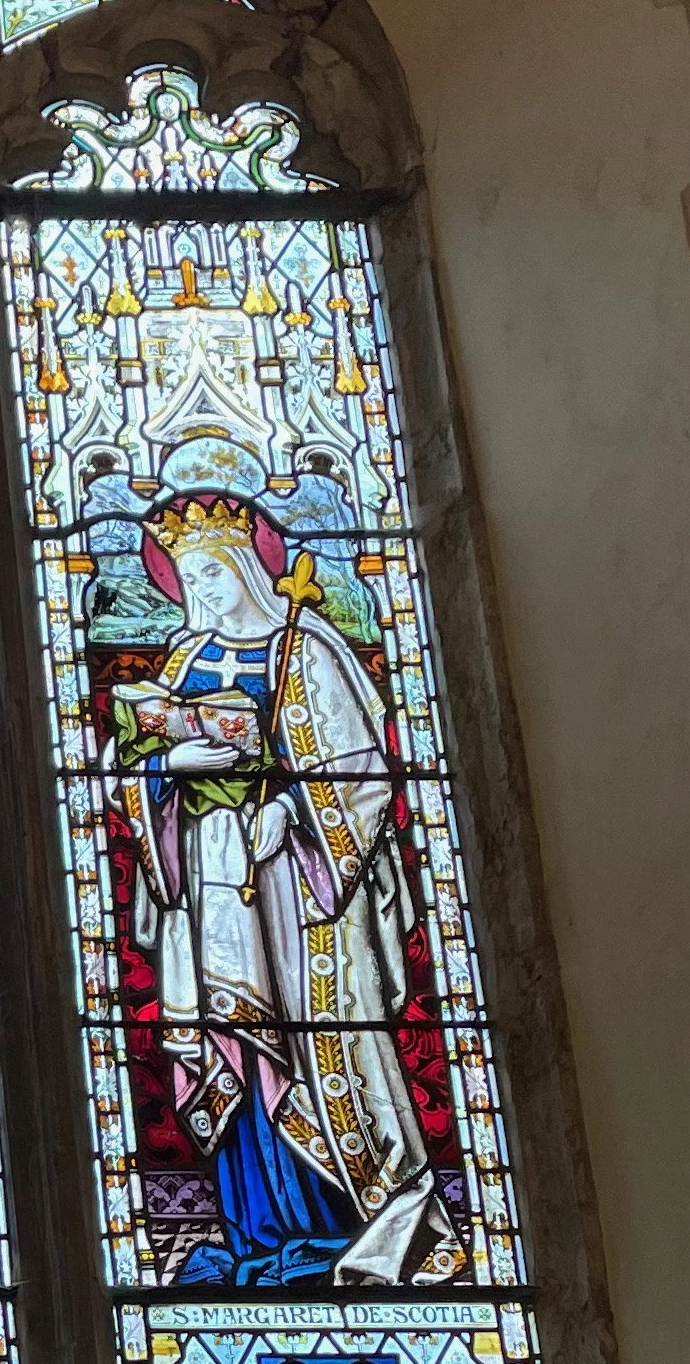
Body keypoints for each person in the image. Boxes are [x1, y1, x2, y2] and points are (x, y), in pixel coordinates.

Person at [109, 491, 464, 1286]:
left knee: (312, 1039)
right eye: (186, 578)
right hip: (210, 876)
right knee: (235, 1041)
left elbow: (360, 772)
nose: (199, 589)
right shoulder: (182, 660)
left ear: (243, 566)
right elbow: (130, 761)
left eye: (210, 572)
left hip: (301, 885)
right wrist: (167, 767)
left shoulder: (306, 650)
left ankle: (342, 1224)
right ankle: (255, 1234)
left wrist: (290, 810)